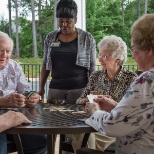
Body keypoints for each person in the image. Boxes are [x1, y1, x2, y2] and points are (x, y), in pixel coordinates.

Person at [77, 14, 154, 154]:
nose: (133, 55)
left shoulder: (147, 81)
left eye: (134, 48)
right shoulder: (97, 75)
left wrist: (95, 111)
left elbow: (112, 125)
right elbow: (142, 112)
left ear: (149, 50)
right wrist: (114, 105)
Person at [75, 35, 137, 152]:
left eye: (104, 56)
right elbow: (79, 100)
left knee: (86, 138)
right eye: (100, 55)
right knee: (81, 135)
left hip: (112, 127)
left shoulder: (131, 79)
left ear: (117, 60)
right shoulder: (96, 76)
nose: (100, 59)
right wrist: (88, 100)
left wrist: (111, 104)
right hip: (91, 123)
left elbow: (131, 111)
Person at [38, 0, 96, 104]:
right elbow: (45, 64)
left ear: (75, 20)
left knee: (78, 119)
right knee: (53, 119)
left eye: (68, 21)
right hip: (55, 91)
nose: (64, 25)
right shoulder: (50, 37)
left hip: (80, 91)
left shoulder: (87, 38)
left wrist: (92, 91)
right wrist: (41, 88)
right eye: (61, 21)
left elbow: (92, 67)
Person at [0, 31, 47, 154]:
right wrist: (3, 101)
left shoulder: (14, 66)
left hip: (16, 116)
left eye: (8, 51)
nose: (4, 55)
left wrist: (32, 97)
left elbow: (25, 91)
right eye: (0, 50)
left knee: (41, 139)